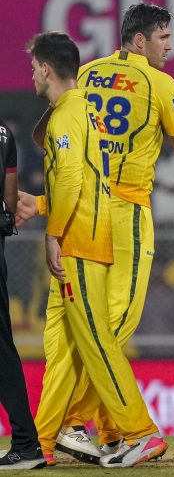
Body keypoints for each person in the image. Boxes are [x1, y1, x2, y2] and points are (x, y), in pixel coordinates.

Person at [17, 3, 174, 466]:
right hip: (126, 214)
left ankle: (85, 431)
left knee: (71, 327)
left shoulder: (85, 74)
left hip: (83, 209)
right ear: (140, 40)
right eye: (163, 37)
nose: (169, 46)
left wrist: (44, 205)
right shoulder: (160, 83)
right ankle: (74, 423)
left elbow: (50, 138)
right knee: (113, 324)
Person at [0, 118, 46, 470]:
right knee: (2, 348)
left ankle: (27, 444)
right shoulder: (4, 132)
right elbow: (10, 198)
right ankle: (26, 443)